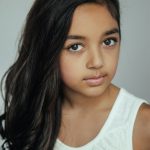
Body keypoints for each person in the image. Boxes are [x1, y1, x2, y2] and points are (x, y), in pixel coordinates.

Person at [0, 0, 150, 149]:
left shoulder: (144, 124)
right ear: (46, 50)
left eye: (108, 42)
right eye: (75, 46)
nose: (97, 62)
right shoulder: (34, 114)